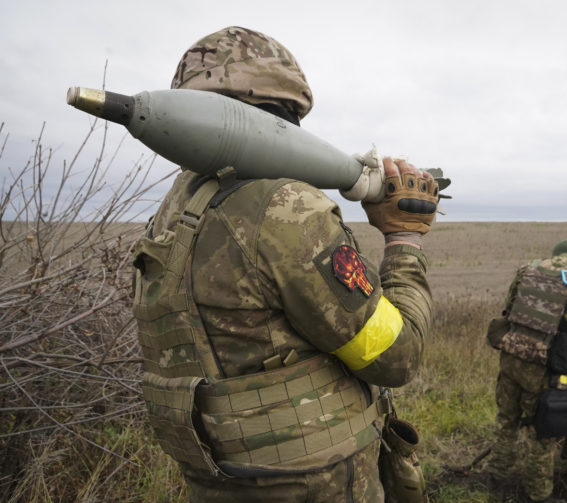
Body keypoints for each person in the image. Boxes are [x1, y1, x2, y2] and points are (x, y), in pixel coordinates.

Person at [131, 26, 438, 502]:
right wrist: (404, 239)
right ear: (286, 109)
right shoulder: (283, 208)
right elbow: (397, 357)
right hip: (313, 485)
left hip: (221, 478)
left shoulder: (176, 209)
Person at [484, 239, 567, 503]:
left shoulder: (527, 270)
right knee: (542, 431)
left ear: (554, 256)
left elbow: (509, 310)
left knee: (506, 419)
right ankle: (539, 494)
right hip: (544, 368)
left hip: (510, 357)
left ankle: (495, 477)